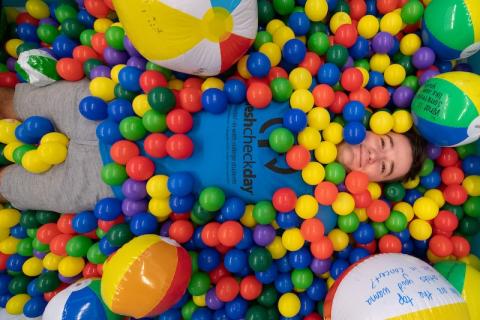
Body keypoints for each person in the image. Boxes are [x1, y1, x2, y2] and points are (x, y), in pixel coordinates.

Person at [0, 80, 426, 213]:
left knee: (10, 186)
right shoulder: (314, 93)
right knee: (14, 105)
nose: (376, 154)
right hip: (119, 107)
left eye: (385, 167)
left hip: (115, 186)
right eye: (385, 142)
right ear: (374, 125)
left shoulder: (317, 206)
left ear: (370, 184)